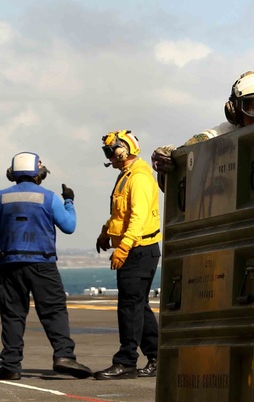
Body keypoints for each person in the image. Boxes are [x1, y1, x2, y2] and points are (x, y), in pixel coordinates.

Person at [0, 153, 92, 381]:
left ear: (12, 174)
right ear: (37, 173)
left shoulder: (1, 198)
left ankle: (10, 364)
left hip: (9, 264)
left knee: (12, 315)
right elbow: (69, 226)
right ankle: (63, 356)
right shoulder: (49, 197)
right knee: (54, 311)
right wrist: (69, 201)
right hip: (43, 264)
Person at [93, 130, 162, 380]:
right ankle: (156, 357)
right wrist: (106, 233)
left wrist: (123, 247)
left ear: (124, 150)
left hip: (138, 250)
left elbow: (137, 217)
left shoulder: (139, 178)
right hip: (139, 249)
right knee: (138, 306)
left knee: (129, 307)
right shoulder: (127, 175)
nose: (109, 157)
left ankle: (126, 361)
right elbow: (120, 213)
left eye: (111, 151)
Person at [150, 70, 254, 190]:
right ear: (235, 111)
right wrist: (168, 159)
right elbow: (190, 151)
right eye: (252, 108)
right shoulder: (222, 134)